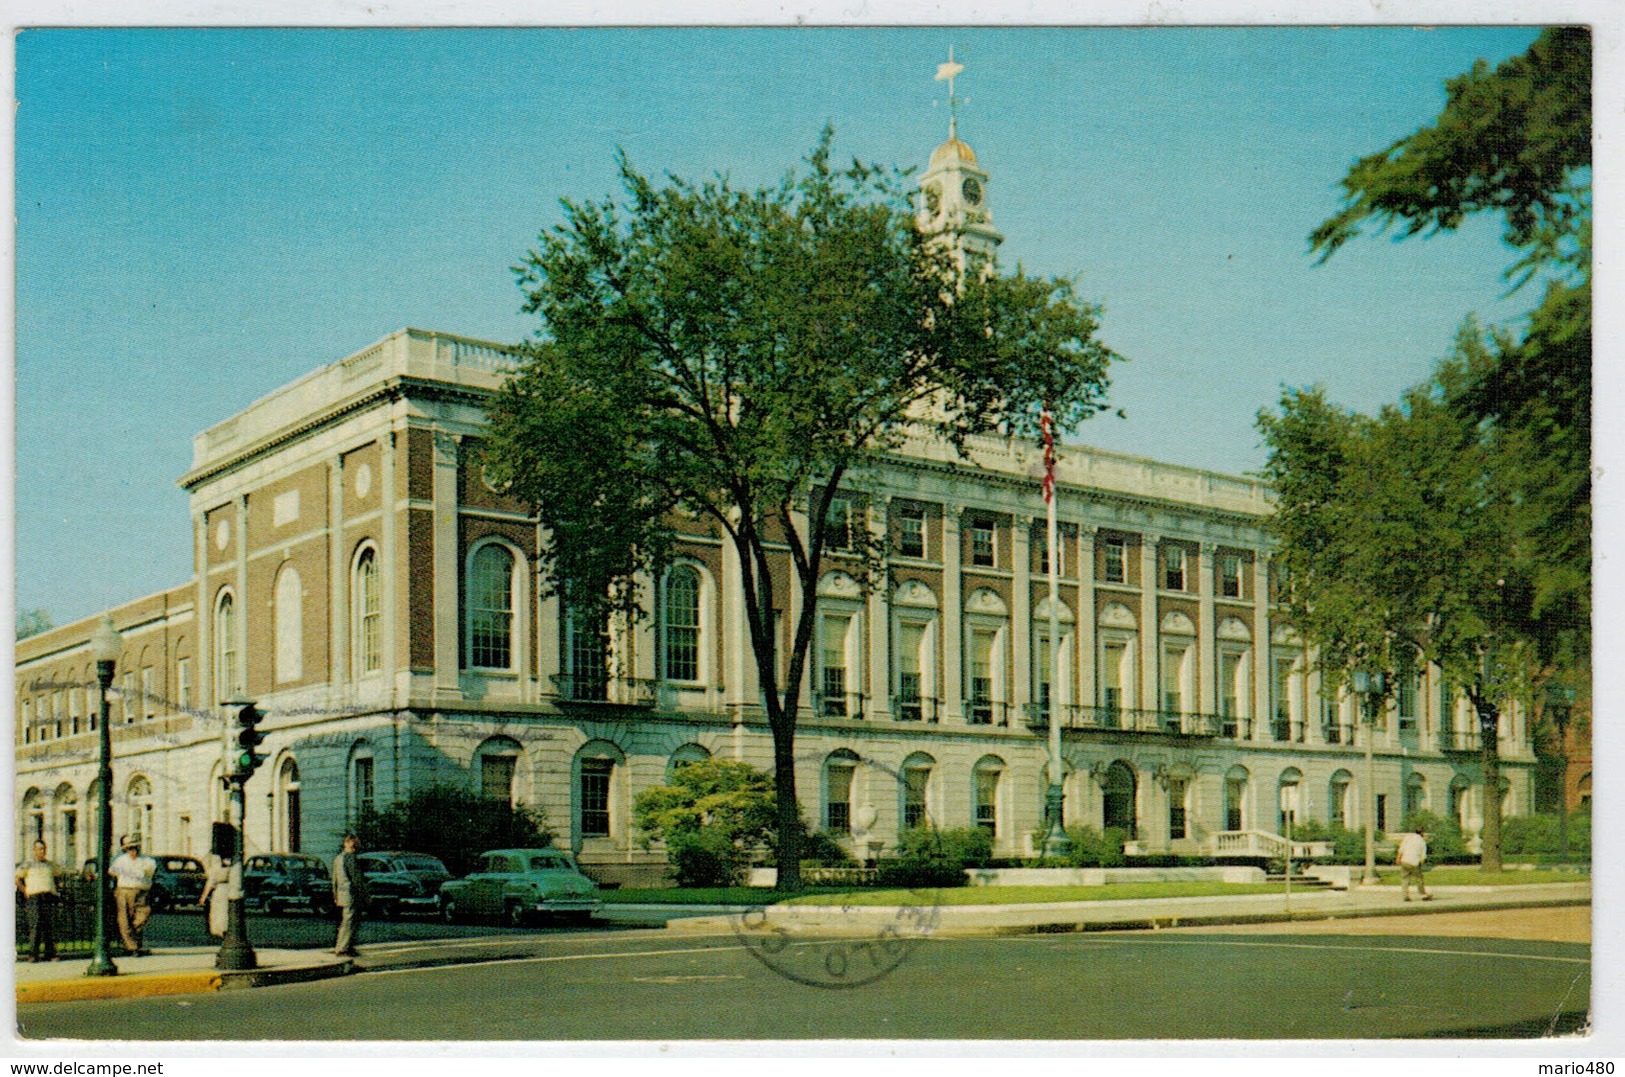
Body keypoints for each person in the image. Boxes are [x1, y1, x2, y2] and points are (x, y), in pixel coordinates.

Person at [109, 834, 158, 954]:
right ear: (125, 849)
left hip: (142, 891)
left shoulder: (147, 860)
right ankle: (132, 947)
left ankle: (133, 938)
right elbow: (112, 871)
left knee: (142, 916)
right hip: (125, 890)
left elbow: (148, 871)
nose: (133, 851)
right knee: (124, 918)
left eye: (135, 847)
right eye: (130, 848)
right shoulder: (121, 860)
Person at [16, 840, 59, 962]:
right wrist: (24, 890)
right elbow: (17, 877)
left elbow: (58, 874)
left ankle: (50, 953)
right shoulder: (28, 864)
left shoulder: (50, 864)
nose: (42, 851)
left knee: (49, 926)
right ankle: (33, 954)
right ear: (34, 850)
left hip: (48, 895)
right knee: (35, 925)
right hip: (34, 896)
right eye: (39, 849)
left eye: (44, 849)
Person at [331, 833, 369, 957]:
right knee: (350, 922)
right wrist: (365, 895)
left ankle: (345, 946)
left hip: (342, 894)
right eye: (354, 843)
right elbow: (356, 879)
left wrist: (335, 895)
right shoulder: (351, 858)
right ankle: (343, 948)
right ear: (347, 843)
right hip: (352, 894)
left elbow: (334, 879)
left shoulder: (338, 858)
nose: (355, 846)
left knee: (346, 922)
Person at [1396, 825, 1434, 902]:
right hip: (1414, 862)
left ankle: (1405, 896)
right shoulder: (1422, 842)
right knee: (1419, 879)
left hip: (1405, 860)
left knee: (1405, 879)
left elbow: (1401, 849)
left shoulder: (1408, 837)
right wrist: (1422, 866)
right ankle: (1423, 895)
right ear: (1422, 833)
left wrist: (1398, 859)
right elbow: (1423, 857)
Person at [200, 852, 230, 938]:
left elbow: (210, 884)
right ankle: (226, 929)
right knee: (226, 911)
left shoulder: (216, 868)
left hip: (219, 890)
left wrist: (203, 897)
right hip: (230, 889)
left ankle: (219, 931)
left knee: (218, 911)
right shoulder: (233, 867)